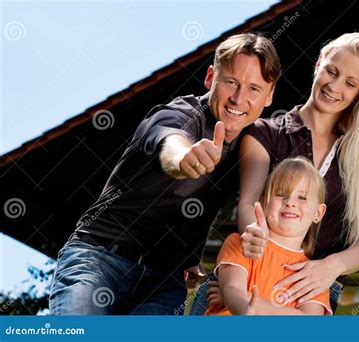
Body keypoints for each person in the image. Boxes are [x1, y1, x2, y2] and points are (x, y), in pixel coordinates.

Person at [48, 32, 281, 315]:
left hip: (163, 284)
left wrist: (193, 256)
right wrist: (184, 158)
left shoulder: (252, 147)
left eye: (254, 89)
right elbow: (170, 142)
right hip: (99, 258)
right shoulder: (180, 114)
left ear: (269, 96)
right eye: (231, 82)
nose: (239, 98)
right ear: (211, 78)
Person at [205, 32, 359, 314]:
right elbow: (248, 204)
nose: (334, 86)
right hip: (251, 272)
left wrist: (330, 268)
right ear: (318, 65)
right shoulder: (265, 133)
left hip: (315, 292)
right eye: (331, 71)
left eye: (350, 83)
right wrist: (252, 243)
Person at [206, 157, 332, 315]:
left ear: (318, 213)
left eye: (302, 197)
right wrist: (242, 305)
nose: (290, 203)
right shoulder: (242, 243)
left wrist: (254, 303)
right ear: (264, 202)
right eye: (281, 194)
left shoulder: (314, 275)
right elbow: (232, 289)